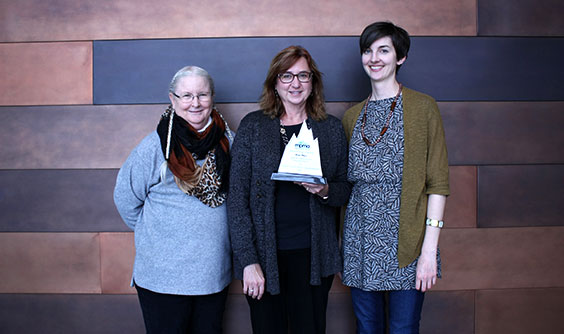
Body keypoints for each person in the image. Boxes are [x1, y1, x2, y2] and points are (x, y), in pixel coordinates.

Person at [227, 45, 351, 333]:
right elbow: (237, 200)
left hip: (314, 258)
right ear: (274, 83)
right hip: (264, 258)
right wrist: (248, 261)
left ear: (313, 83)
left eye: (303, 76)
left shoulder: (330, 129)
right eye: (286, 76)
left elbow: (345, 189)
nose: (295, 83)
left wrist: (324, 190)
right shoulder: (253, 127)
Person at [341, 22, 450, 334]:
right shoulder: (352, 117)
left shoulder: (423, 107)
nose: (374, 58)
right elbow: (347, 186)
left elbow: (438, 183)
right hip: (359, 243)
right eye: (368, 50)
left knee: (403, 328)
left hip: (410, 245)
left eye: (383, 50)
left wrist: (429, 252)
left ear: (400, 57)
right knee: (367, 328)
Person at [113, 66, 234, 334]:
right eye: (187, 95)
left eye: (202, 94)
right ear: (173, 99)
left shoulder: (230, 143)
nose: (195, 103)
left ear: (212, 97)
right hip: (162, 277)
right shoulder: (154, 147)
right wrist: (162, 237)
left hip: (212, 275)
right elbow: (125, 199)